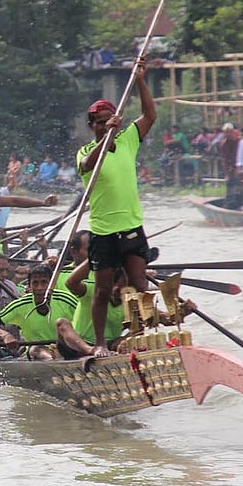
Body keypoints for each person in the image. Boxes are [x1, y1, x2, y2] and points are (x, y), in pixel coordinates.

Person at [77, 55, 157, 357]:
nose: (102, 126)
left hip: (131, 226)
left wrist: (139, 79)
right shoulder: (86, 151)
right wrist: (105, 138)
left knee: (139, 282)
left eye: (107, 122)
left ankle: (143, 334)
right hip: (103, 231)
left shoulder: (127, 140)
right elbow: (87, 165)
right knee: (101, 290)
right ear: (92, 126)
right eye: (97, 123)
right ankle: (99, 344)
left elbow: (150, 116)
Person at [0, 264, 80, 360]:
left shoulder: (66, 300)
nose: (39, 288)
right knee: (35, 350)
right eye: (35, 283)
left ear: (52, 284)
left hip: (68, 347)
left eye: (44, 283)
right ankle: (52, 361)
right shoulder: (21, 304)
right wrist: (5, 335)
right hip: (37, 351)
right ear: (29, 286)